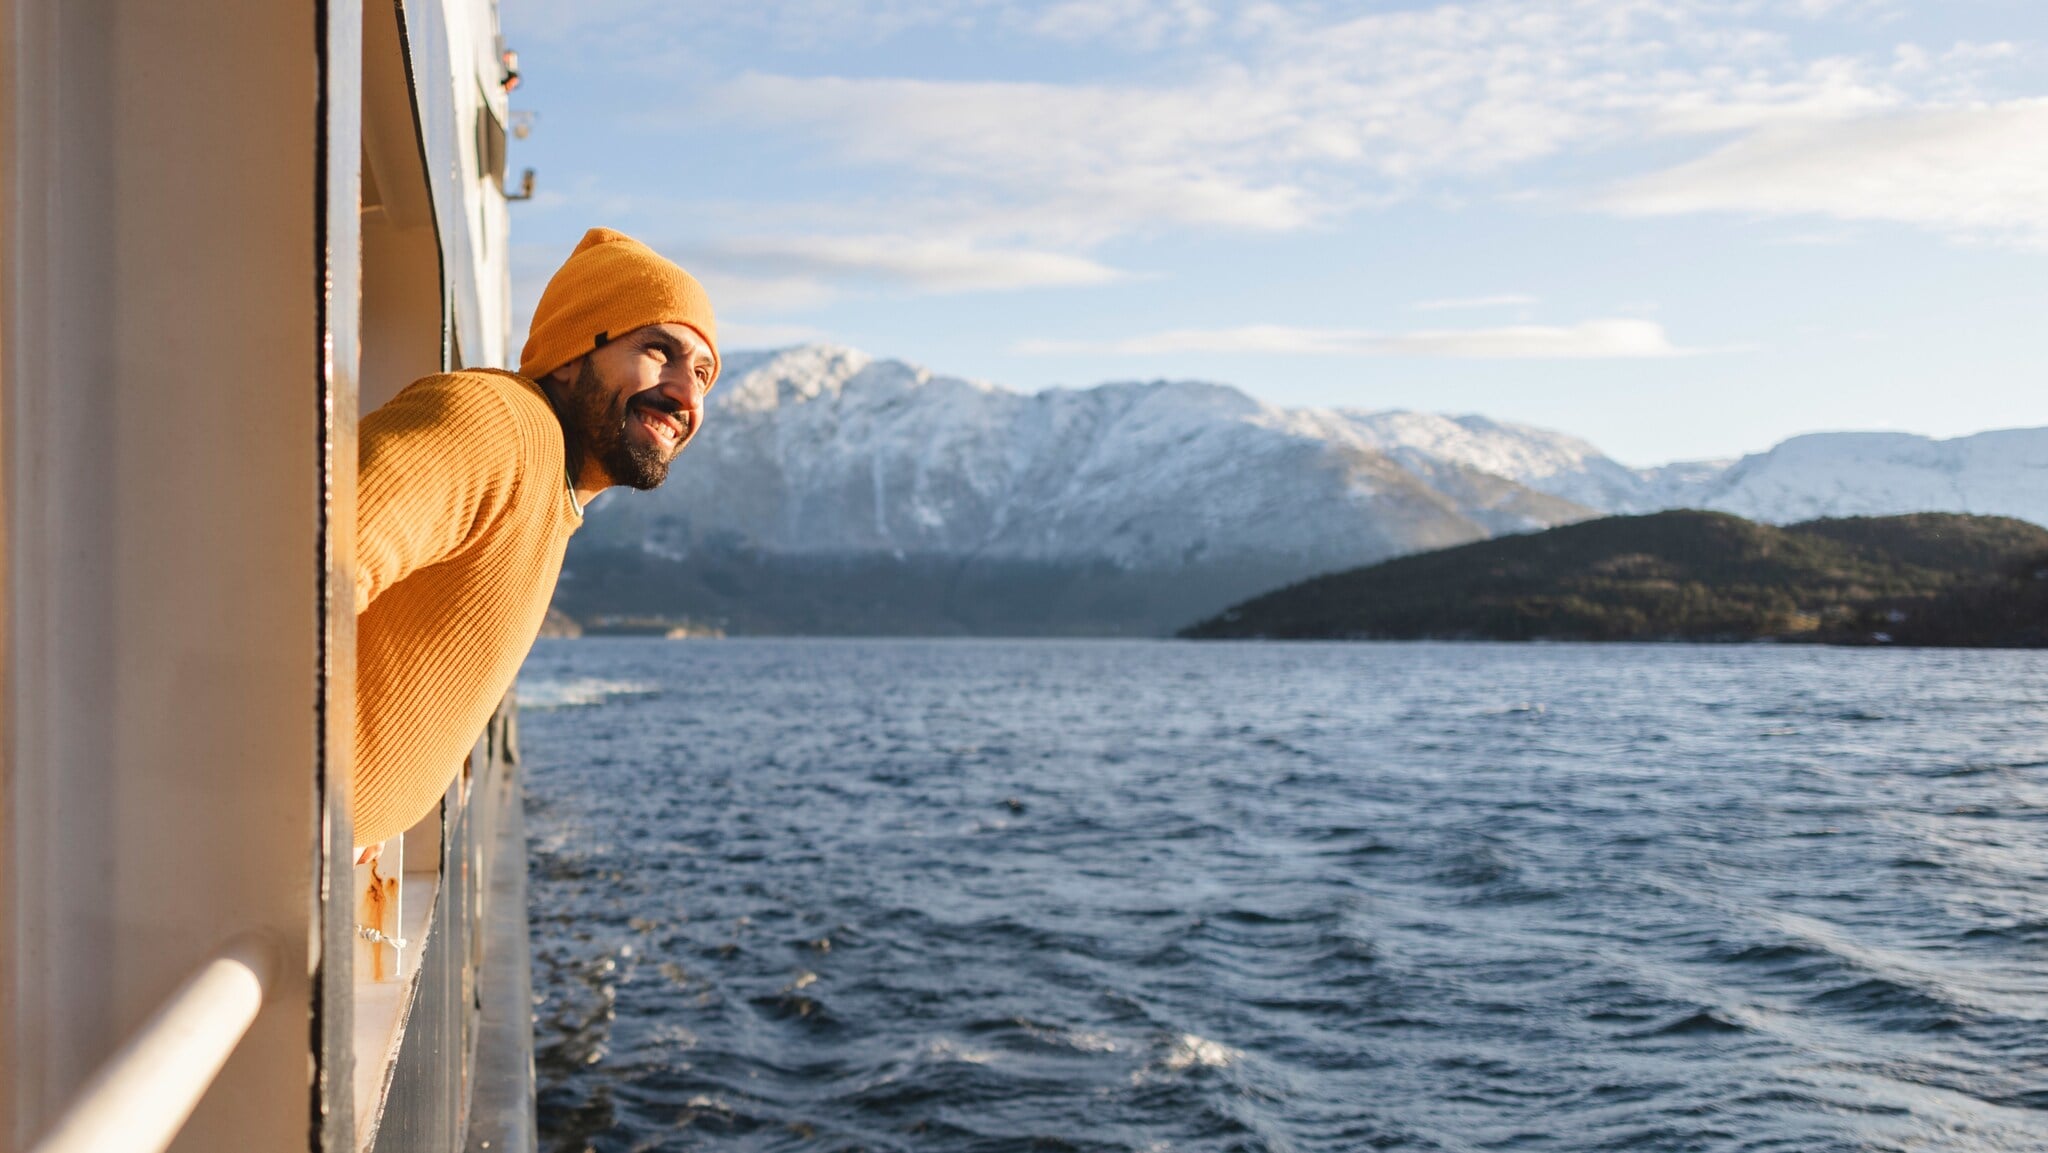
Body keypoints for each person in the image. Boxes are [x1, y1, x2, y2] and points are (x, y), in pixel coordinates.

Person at [351, 227, 717, 849]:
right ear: (573, 355)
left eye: (704, 374)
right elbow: (300, 567)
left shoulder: (552, 486)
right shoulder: (499, 425)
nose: (687, 393)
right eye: (660, 350)